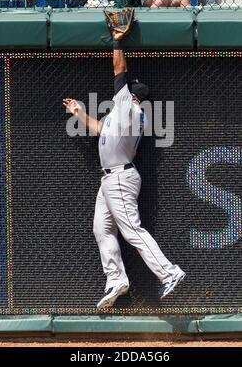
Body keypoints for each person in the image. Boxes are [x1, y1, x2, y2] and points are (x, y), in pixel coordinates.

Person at [62, 18, 186, 309]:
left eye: (127, 89)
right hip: (110, 180)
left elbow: (119, 70)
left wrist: (118, 40)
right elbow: (97, 129)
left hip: (119, 177)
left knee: (131, 230)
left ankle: (170, 272)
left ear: (132, 96)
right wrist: (78, 112)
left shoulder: (128, 107)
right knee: (101, 229)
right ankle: (117, 279)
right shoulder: (121, 115)